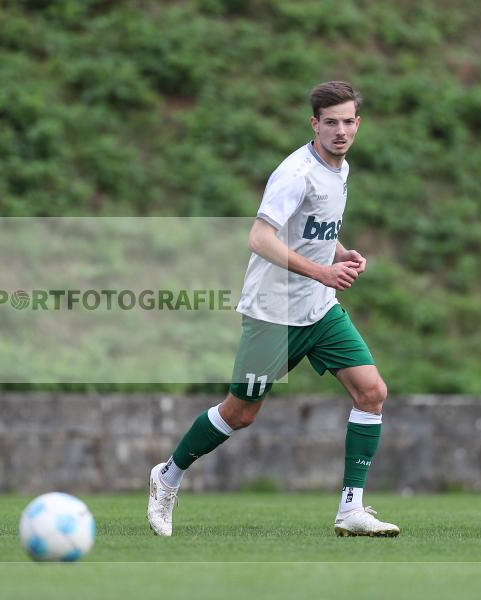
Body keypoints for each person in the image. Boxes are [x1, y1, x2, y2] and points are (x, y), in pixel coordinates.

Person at [147, 81, 399, 538]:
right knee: (239, 414)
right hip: (273, 314)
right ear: (314, 124)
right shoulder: (295, 173)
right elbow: (260, 238)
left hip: (319, 311)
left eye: (348, 122)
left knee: (371, 392)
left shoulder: (340, 168)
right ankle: (167, 477)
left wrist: (339, 253)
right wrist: (321, 272)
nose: (340, 131)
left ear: (358, 124)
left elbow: (312, 229)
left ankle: (351, 509)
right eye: (331, 123)